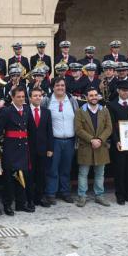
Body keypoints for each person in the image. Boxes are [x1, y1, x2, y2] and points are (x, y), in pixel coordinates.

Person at [0, 86, 35, 214]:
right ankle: (7, 204)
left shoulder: (27, 110)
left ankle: (20, 203)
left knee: (22, 177)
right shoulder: (7, 111)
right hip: (10, 148)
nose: (21, 99)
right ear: (12, 97)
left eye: (23, 97)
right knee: (9, 179)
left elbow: (30, 129)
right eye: (18, 97)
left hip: (23, 148)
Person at [42, 77, 78, 205]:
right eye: (57, 85)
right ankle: (51, 193)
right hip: (54, 141)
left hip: (69, 140)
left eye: (62, 85)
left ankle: (65, 192)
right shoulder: (47, 101)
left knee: (66, 168)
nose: (60, 88)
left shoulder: (72, 100)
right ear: (53, 87)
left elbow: (77, 118)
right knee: (52, 168)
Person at [74, 87, 112, 207]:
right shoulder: (80, 111)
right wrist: (91, 139)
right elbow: (78, 129)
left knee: (100, 173)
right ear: (86, 97)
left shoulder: (104, 111)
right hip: (86, 146)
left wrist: (100, 139)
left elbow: (109, 128)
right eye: (91, 95)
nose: (94, 97)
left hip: (101, 146)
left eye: (95, 95)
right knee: (83, 173)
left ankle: (99, 196)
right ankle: (82, 196)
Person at [28, 87, 53, 208]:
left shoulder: (46, 112)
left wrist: (50, 148)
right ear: (30, 98)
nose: (38, 98)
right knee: (30, 174)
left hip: (43, 149)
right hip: (28, 149)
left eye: (39, 95)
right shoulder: (25, 110)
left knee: (41, 174)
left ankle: (40, 197)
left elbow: (49, 132)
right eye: (35, 96)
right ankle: (30, 198)